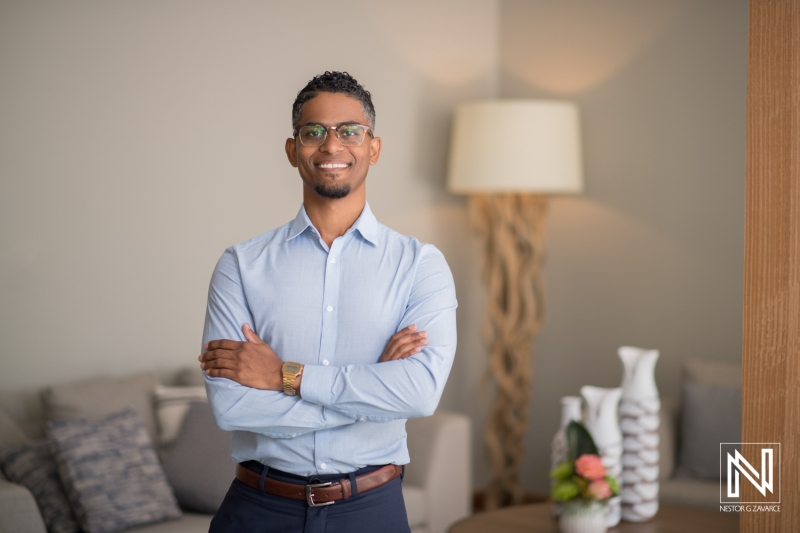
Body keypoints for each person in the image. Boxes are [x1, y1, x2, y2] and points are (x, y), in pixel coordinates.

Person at [198, 71, 458, 533]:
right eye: (313, 132)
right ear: (293, 149)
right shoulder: (241, 264)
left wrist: (283, 377)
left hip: (370, 511)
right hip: (258, 510)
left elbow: (418, 393)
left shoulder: (420, 264)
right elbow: (231, 407)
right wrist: (374, 390)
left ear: (373, 148)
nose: (332, 146)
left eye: (350, 131)